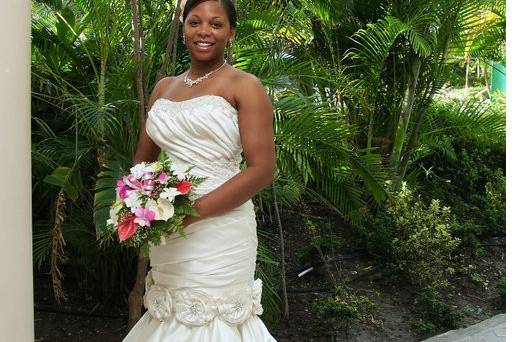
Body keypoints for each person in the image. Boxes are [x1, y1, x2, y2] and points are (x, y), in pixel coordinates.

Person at [122, 0, 277, 340]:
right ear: (184, 28)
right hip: (168, 227)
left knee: (214, 320)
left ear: (231, 32)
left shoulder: (244, 85)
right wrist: (141, 207)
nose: (204, 31)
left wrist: (187, 212)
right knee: (171, 317)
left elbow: (262, 169)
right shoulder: (164, 87)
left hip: (220, 229)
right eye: (195, 22)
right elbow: (143, 160)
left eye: (216, 24)